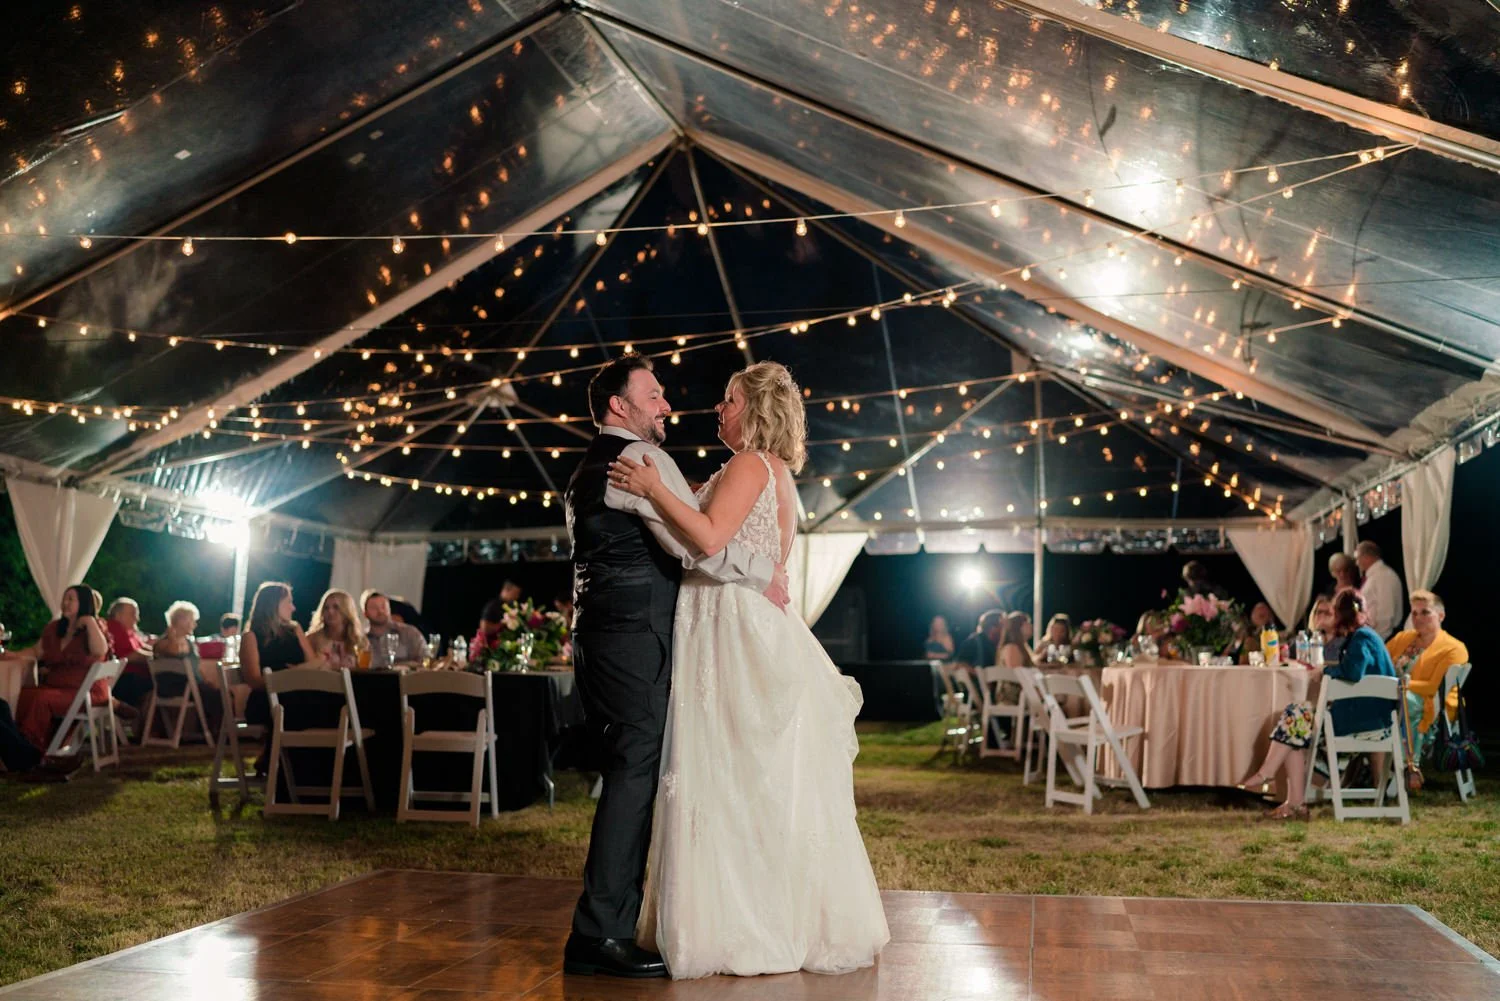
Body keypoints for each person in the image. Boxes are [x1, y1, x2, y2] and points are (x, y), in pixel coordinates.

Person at [608, 359, 888, 979]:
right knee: (749, 779)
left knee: (728, 772)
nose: (718, 407)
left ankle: (740, 926)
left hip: (730, 626)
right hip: (742, 617)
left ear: (756, 410)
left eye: (729, 398)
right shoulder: (776, 472)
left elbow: (708, 538)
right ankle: (761, 914)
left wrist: (652, 490)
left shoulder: (749, 464)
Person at [561, 356, 793, 980]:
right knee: (635, 776)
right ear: (620, 406)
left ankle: (612, 925)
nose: (667, 405)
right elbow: (697, 546)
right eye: (654, 394)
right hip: (636, 639)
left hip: (602, 636)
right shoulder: (638, 460)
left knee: (632, 772)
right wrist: (762, 572)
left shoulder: (586, 468)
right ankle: (601, 934)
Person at [1238, 590, 1398, 819]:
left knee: (1296, 717)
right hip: (1375, 720)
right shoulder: (1369, 636)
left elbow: (1353, 672)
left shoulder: (1362, 638)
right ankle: (1294, 803)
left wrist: (1326, 670)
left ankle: (1270, 776)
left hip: (1363, 723)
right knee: (1296, 722)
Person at [3, 584, 110, 777]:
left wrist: (90, 621)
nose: (65, 603)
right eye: (65, 598)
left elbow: (100, 651)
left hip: (81, 692)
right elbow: (36, 652)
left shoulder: (94, 628)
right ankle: (30, 752)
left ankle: (34, 754)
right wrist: (11, 655)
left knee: (41, 699)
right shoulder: (54, 628)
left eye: (71, 599)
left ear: (83, 603)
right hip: (55, 687)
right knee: (25, 694)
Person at [1385, 590, 1468, 764]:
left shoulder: (1454, 648)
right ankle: (1366, 753)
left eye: (1425, 612)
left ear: (1441, 616)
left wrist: (1399, 685)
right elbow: (1380, 661)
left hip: (1433, 705)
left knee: (1406, 700)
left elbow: (1432, 687)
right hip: (1394, 696)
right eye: (1414, 613)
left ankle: (1408, 764)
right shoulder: (1403, 638)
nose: (1418, 618)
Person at [239, 582, 316, 730]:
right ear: (273, 604)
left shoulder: (295, 629)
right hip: (266, 701)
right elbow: (255, 681)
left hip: (299, 696)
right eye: (289, 602)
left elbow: (312, 667)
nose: (293, 608)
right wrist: (291, 675)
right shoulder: (251, 637)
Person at [151, 600, 224, 740]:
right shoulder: (164, 642)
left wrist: (206, 680)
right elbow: (172, 651)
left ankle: (209, 731)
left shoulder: (189, 642)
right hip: (176, 688)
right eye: (192, 620)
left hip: (191, 686)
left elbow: (195, 668)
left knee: (216, 692)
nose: (195, 624)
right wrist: (173, 636)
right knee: (218, 696)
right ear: (181, 620)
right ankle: (216, 734)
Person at [105, 597, 154, 709]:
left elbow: (144, 648)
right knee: (164, 687)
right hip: (121, 680)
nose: (137, 619)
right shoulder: (114, 628)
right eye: (133, 614)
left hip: (131, 678)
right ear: (118, 615)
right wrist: (158, 655)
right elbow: (134, 655)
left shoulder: (129, 631)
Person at [362, 590, 428, 665]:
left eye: (383, 606)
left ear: (389, 608)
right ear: (365, 614)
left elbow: (425, 659)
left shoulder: (409, 633)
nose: (380, 611)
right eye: (374, 608)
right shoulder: (361, 640)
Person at [307, 589, 367, 670]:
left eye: (336, 607)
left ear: (347, 610)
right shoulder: (312, 639)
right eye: (326, 608)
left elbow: (365, 671)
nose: (330, 611)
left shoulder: (359, 641)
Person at [1355, 540, 1403, 639]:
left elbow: (1386, 615)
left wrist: (1377, 642)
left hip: (1382, 638)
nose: (1357, 563)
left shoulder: (1383, 576)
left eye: (1358, 558)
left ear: (1367, 557)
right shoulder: (1376, 576)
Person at [953, 610, 1003, 674]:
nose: (1006, 630)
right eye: (1002, 626)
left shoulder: (997, 644)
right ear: (993, 627)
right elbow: (959, 665)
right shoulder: (973, 642)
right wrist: (981, 676)